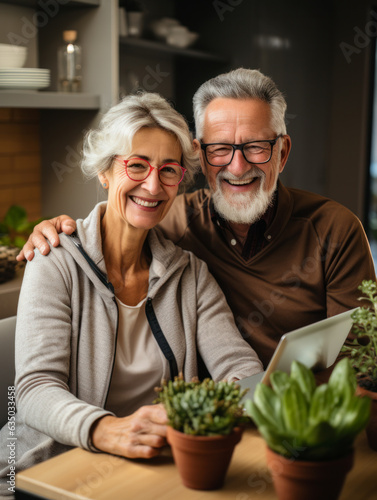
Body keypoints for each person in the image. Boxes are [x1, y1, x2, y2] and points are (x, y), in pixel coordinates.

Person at [18, 68, 376, 368]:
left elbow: (361, 367)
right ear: (201, 156)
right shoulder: (169, 221)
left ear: (281, 153)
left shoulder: (333, 230)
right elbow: (122, 213)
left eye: (255, 147)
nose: (238, 167)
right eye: (220, 148)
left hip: (295, 418)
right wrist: (56, 232)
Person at [0, 92, 263, 495]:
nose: (153, 185)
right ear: (105, 171)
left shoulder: (190, 274)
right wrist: (107, 429)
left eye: (169, 170)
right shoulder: (53, 259)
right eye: (137, 165)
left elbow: (238, 367)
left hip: (145, 469)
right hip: (45, 471)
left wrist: (242, 397)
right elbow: (34, 391)